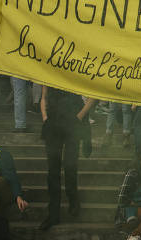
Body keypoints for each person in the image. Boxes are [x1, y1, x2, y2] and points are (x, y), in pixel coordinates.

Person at [39, 87, 97, 231]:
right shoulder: (48, 70)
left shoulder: (76, 66)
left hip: (73, 120)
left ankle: (73, 200)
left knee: (70, 165)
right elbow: (44, 96)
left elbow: (94, 95)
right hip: (53, 122)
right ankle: (53, 214)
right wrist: (45, 117)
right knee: (53, 172)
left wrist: (79, 117)